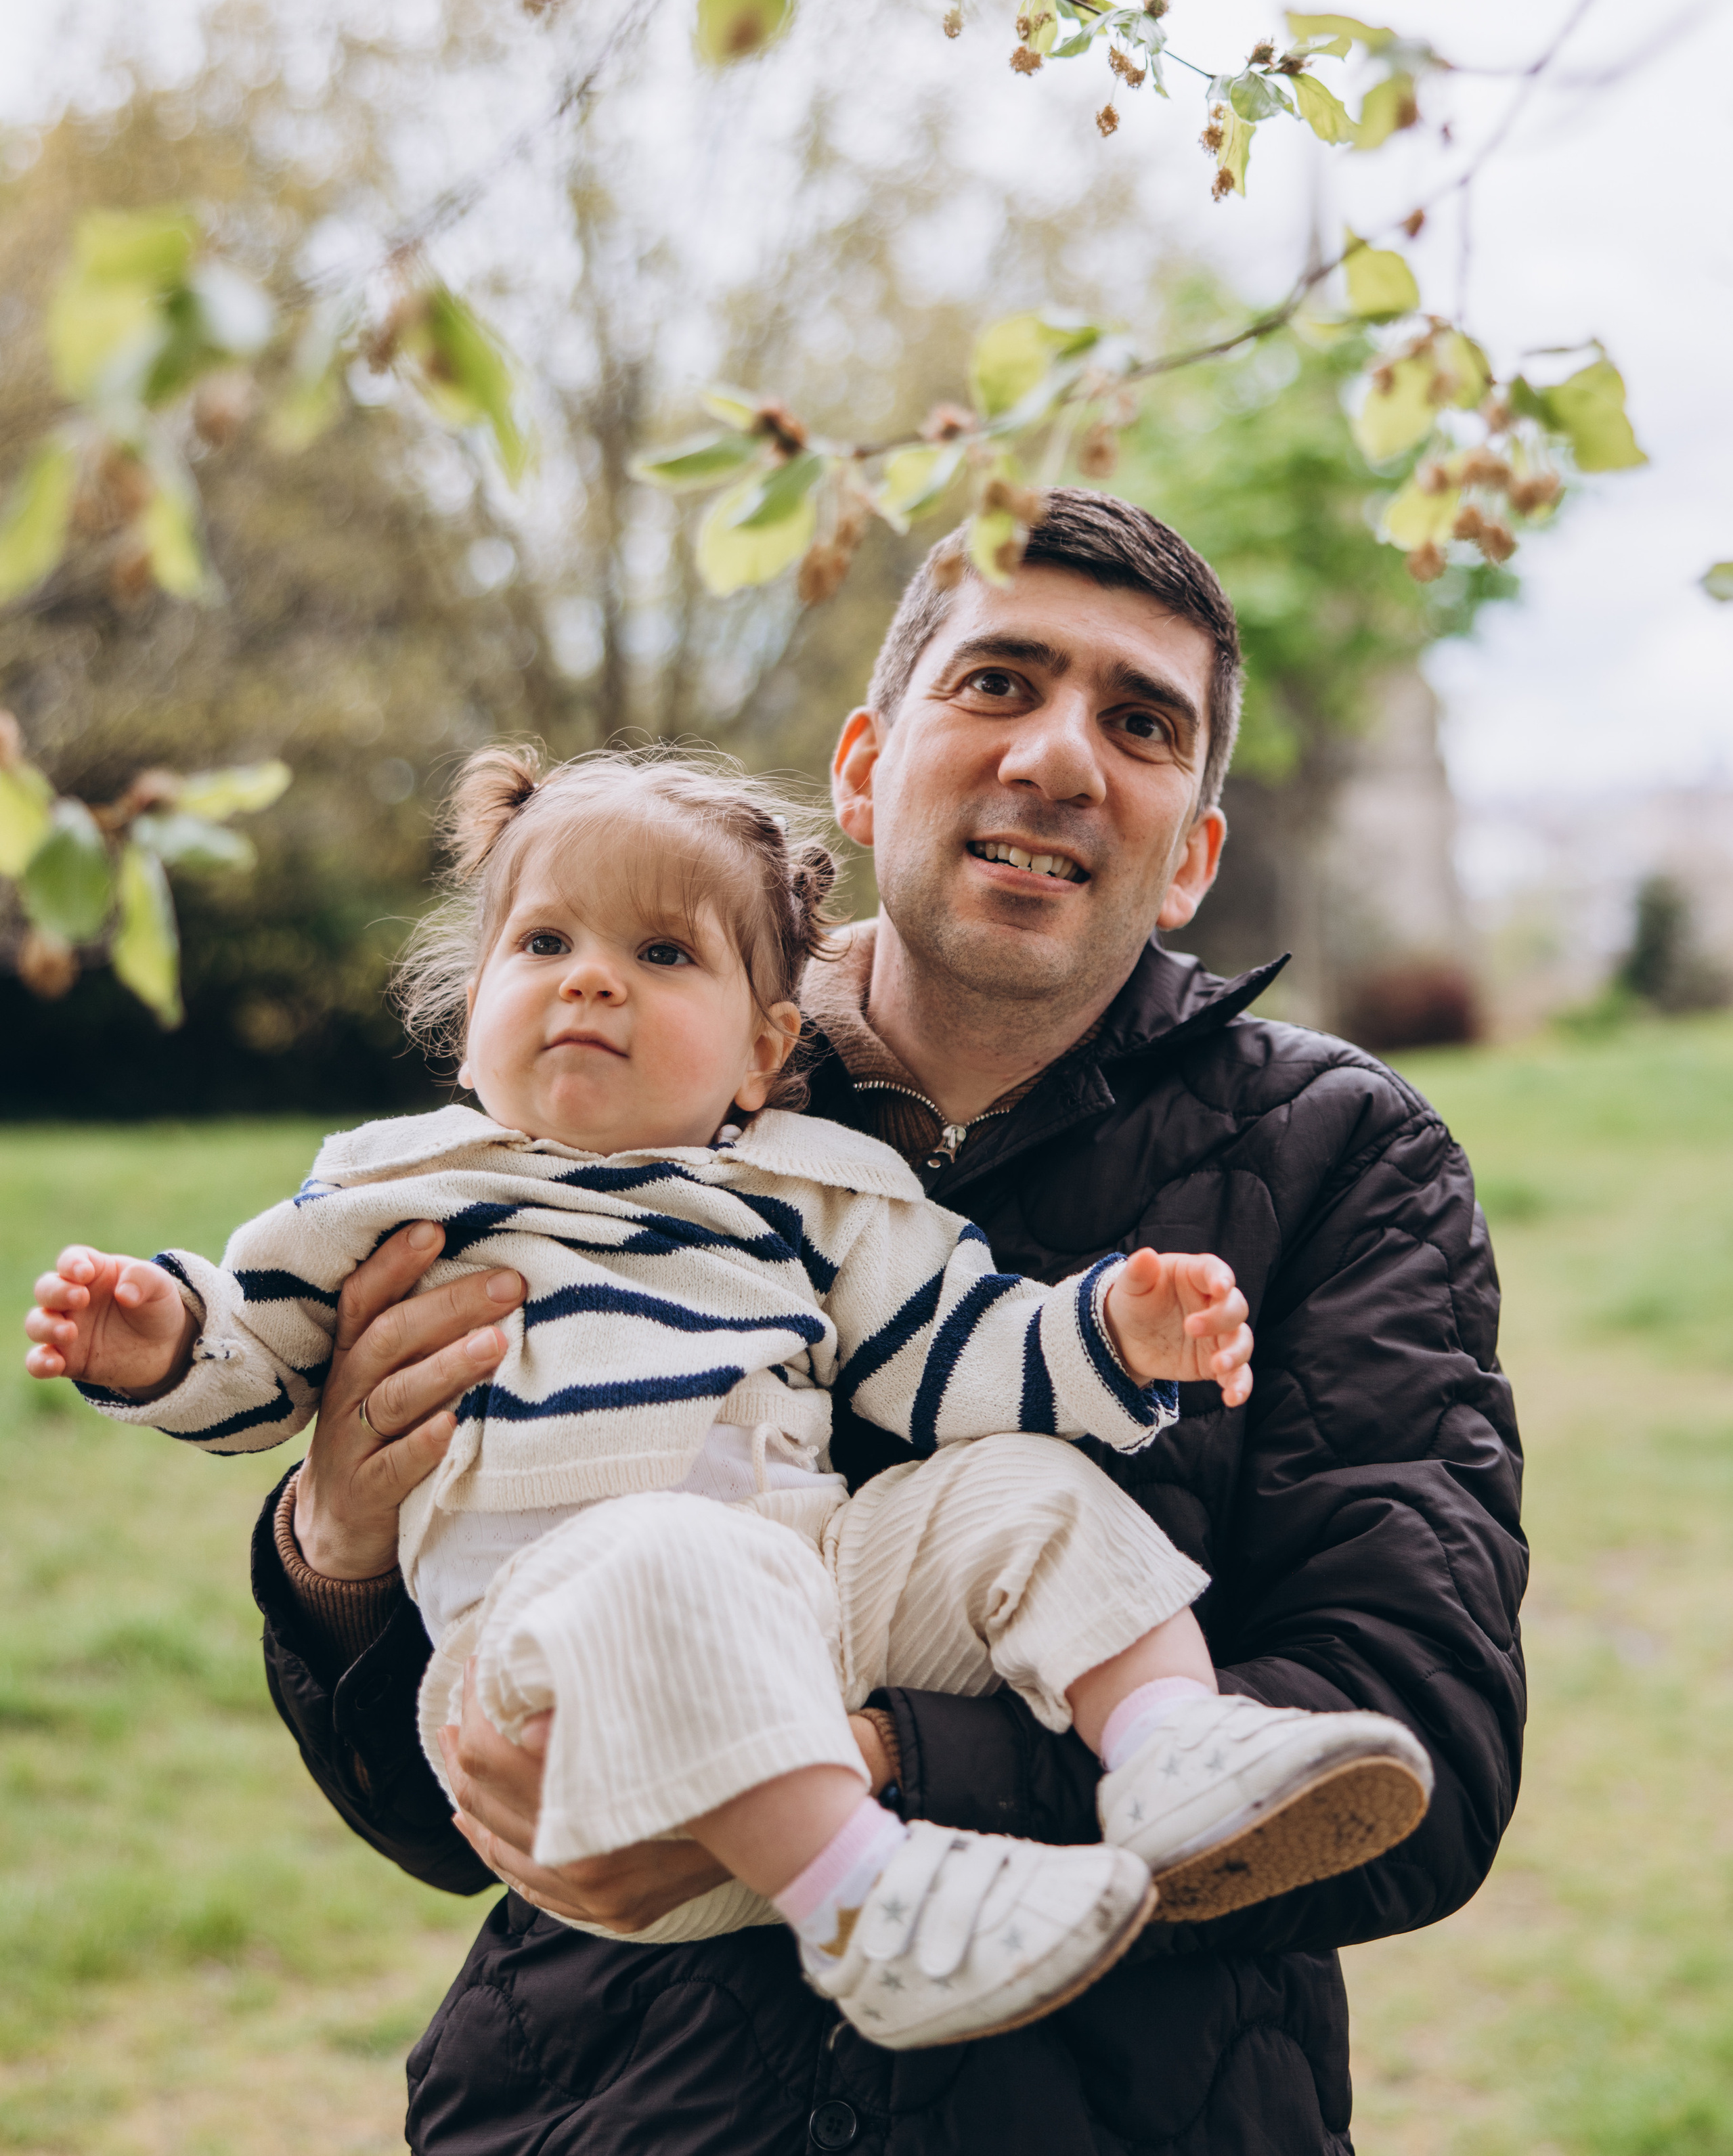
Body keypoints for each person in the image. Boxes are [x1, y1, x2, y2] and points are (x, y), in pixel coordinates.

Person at [41, 492, 1527, 2151]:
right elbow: (434, 1814)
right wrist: (331, 1547)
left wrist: (847, 1764)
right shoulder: (596, 1093)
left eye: (1137, 720)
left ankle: (1128, 1765)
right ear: (863, 765)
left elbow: (1420, 1754)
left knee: (1038, 1499)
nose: (1055, 756)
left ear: (1187, 853)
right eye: (996, 682)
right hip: (615, 2105)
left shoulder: (1339, 1159)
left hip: (1120, 2112)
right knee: (660, 1562)